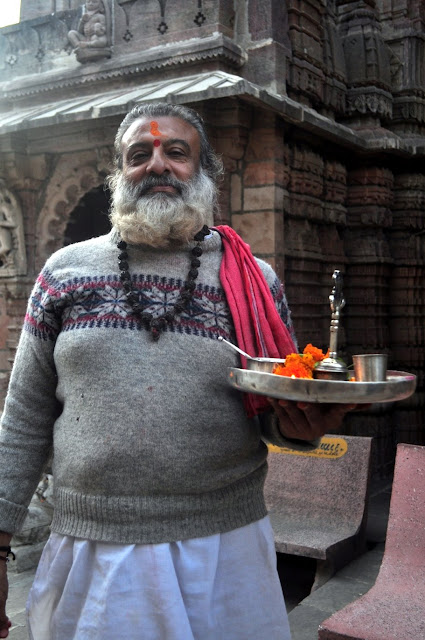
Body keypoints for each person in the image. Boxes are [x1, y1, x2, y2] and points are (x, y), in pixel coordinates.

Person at [0, 103, 355, 640]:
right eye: (138, 155)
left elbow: (274, 409)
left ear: (204, 170)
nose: (158, 164)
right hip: (95, 549)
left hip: (226, 548)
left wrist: (300, 429)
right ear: (119, 175)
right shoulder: (64, 273)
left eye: (176, 151)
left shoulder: (254, 280)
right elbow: (23, 419)